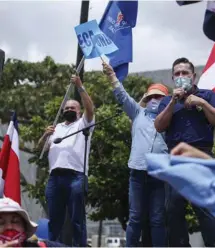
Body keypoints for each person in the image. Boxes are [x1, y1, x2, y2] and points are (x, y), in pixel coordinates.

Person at [154, 57, 215, 247]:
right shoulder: (167, 101)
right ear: (172, 78)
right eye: (177, 74)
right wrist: (173, 103)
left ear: (193, 76)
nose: (181, 76)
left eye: (185, 73)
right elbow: (159, 126)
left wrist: (202, 103)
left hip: (201, 156)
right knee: (173, 209)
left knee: (205, 209)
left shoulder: (207, 95)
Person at [102, 62, 168, 247]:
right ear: (146, 99)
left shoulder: (170, 117)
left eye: (159, 97)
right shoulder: (138, 113)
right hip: (137, 174)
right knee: (135, 218)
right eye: (152, 96)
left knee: (157, 219)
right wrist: (112, 76)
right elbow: (122, 96)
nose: (155, 99)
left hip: (159, 175)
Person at [37, 75, 95, 246]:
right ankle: (52, 245)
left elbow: (90, 110)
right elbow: (41, 149)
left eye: (73, 107)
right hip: (55, 177)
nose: (69, 109)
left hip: (76, 176)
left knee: (77, 219)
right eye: (66, 107)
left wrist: (80, 87)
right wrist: (45, 135)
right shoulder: (56, 128)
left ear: (78, 111)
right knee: (54, 220)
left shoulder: (83, 124)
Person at [0, 198, 65, 247]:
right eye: (1, 223)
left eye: (15, 221)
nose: (9, 227)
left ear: (25, 227)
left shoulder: (39, 245)